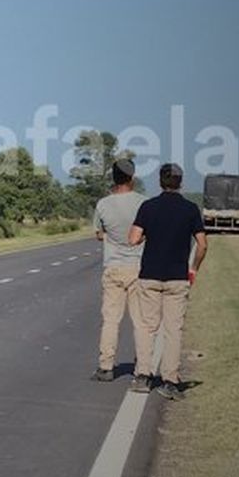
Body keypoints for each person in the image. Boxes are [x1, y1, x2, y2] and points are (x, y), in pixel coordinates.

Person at [128, 162, 207, 400]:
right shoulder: (191, 209)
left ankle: (143, 375)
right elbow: (202, 244)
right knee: (173, 330)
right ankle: (170, 380)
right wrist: (193, 268)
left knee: (146, 327)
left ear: (160, 182)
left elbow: (133, 239)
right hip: (177, 277)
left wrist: (146, 236)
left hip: (150, 275)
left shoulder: (148, 207)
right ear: (181, 182)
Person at [90, 158, 145, 382]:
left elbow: (97, 233)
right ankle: (143, 367)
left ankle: (106, 366)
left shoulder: (103, 204)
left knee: (111, 319)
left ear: (114, 178)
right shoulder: (144, 203)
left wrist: (111, 238)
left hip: (113, 266)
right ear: (132, 177)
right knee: (141, 321)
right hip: (138, 266)